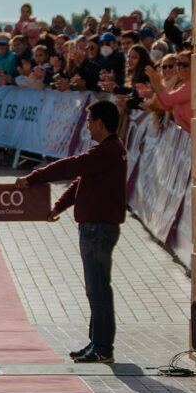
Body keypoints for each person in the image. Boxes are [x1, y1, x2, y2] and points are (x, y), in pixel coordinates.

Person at [14, 100, 127, 364]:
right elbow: (79, 181)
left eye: (89, 121)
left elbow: (69, 167)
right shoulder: (109, 151)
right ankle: (96, 344)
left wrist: (32, 178)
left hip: (98, 228)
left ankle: (102, 348)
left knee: (98, 288)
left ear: (100, 123)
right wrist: (58, 207)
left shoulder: (105, 152)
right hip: (96, 226)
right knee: (95, 288)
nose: (87, 125)